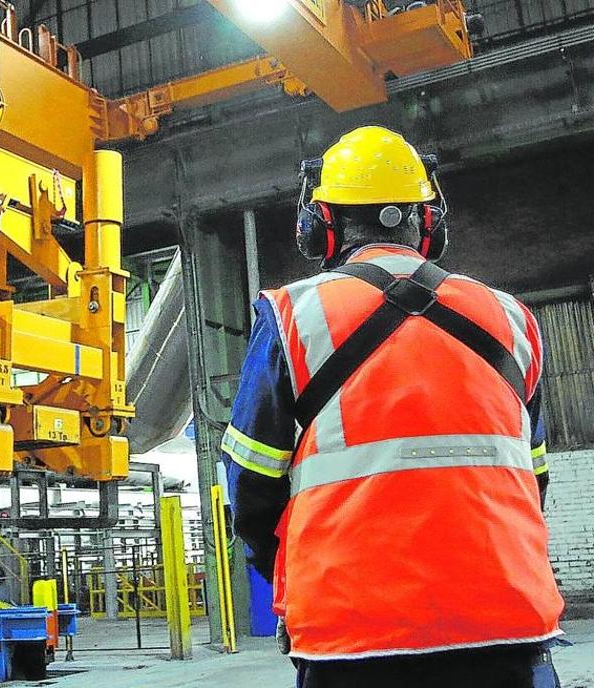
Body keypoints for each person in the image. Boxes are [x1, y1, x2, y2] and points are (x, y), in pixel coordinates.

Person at [220, 126, 564, 687]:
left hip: (353, 634)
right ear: (428, 221)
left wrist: (291, 583)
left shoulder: (291, 318)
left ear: (320, 223)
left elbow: (252, 491)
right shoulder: (510, 318)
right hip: (507, 624)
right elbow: (535, 479)